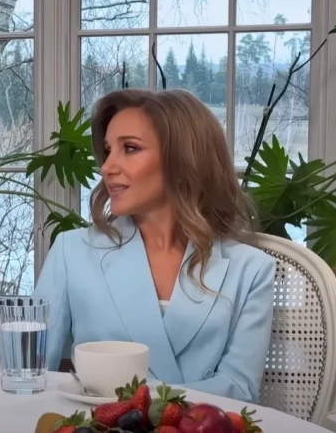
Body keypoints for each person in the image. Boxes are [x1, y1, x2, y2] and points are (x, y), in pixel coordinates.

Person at [32, 88, 276, 403]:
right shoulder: (71, 252)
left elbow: (239, 390)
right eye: (108, 150)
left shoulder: (251, 269)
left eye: (130, 148)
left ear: (184, 160)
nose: (107, 167)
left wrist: (143, 403)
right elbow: (31, 376)